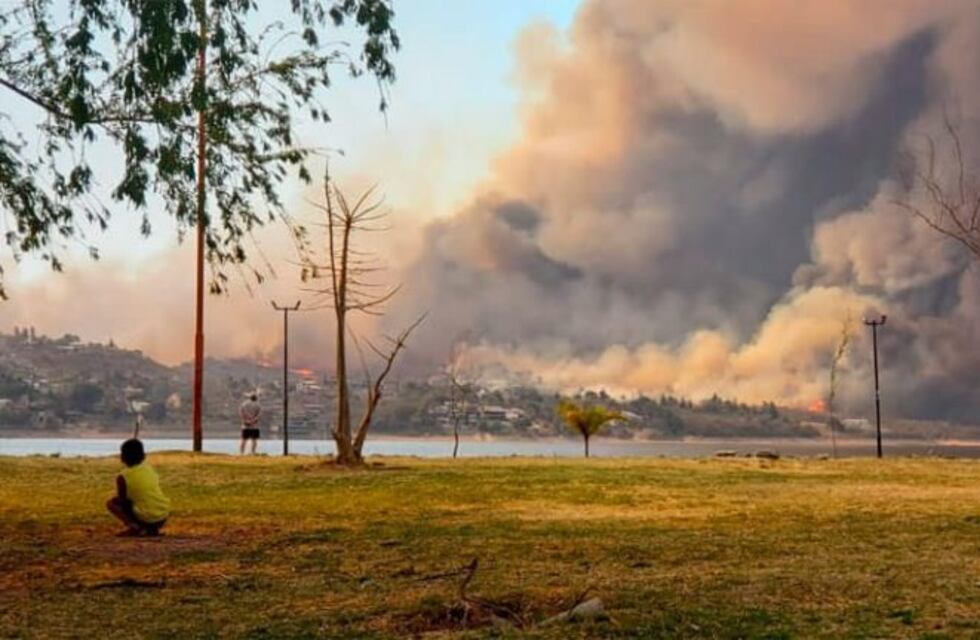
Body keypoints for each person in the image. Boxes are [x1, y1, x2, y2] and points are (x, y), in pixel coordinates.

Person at [106, 439, 170, 537]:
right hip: (163, 515)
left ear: (122, 457)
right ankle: (152, 530)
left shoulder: (122, 477)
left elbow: (123, 500)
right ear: (143, 456)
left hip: (145, 517)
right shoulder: (149, 469)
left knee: (111, 503)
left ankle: (135, 527)